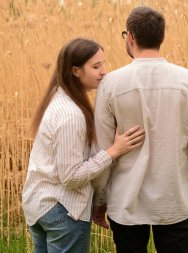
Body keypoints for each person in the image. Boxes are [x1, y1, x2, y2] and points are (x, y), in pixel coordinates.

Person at [91, 6, 188, 253]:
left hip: (126, 202)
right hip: (173, 201)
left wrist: (100, 199)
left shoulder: (111, 84)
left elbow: (103, 148)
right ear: (162, 37)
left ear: (131, 38)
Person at [21, 38, 145, 253]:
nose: (104, 72)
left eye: (104, 64)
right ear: (76, 71)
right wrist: (114, 151)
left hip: (39, 205)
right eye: (96, 66)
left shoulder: (57, 97)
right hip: (62, 209)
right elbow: (70, 178)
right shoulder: (71, 115)